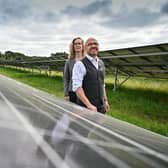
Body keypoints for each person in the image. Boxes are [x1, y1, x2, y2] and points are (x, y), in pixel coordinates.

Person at [72, 37, 110, 114]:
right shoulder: (79, 64)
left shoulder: (101, 63)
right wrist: (89, 105)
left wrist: (105, 101)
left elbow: (102, 84)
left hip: (101, 107)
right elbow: (77, 87)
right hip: (86, 109)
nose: (93, 46)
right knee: (84, 126)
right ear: (85, 48)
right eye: (90, 44)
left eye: (95, 44)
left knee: (99, 125)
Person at [63, 37, 85, 103]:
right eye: (75, 44)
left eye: (79, 43)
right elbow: (66, 79)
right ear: (73, 46)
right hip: (72, 92)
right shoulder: (69, 62)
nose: (77, 45)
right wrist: (66, 94)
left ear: (83, 46)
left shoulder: (87, 61)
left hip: (85, 92)